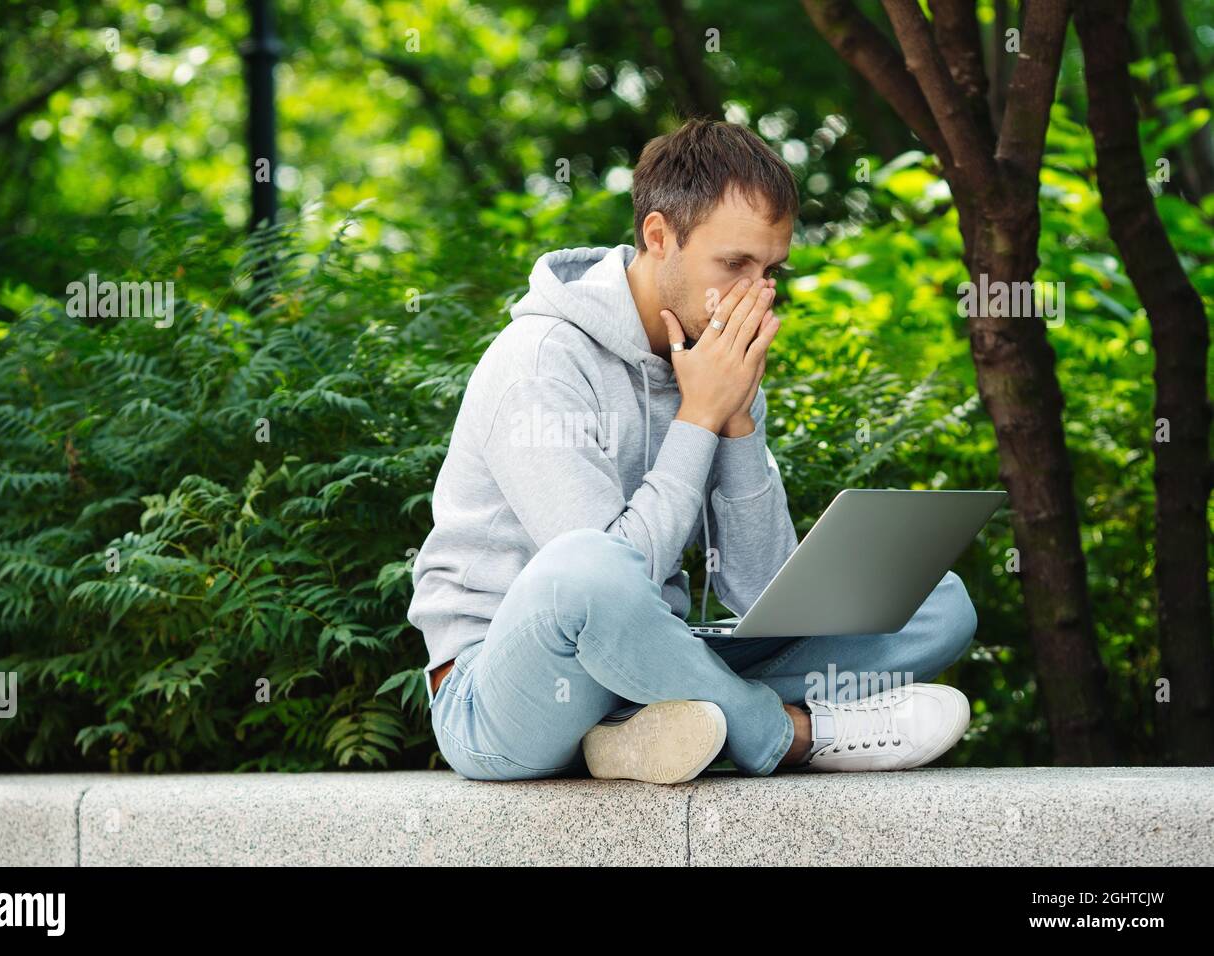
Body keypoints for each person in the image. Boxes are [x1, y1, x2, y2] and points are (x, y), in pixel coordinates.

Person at [407, 118, 978, 784]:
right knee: (588, 567)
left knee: (936, 603)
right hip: (501, 697)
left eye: (770, 270)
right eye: (734, 264)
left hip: (650, 663)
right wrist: (698, 416)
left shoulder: (719, 362)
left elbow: (760, 588)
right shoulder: (538, 361)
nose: (754, 294)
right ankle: (787, 732)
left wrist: (734, 421)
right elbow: (608, 583)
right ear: (659, 236)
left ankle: (639, 731)